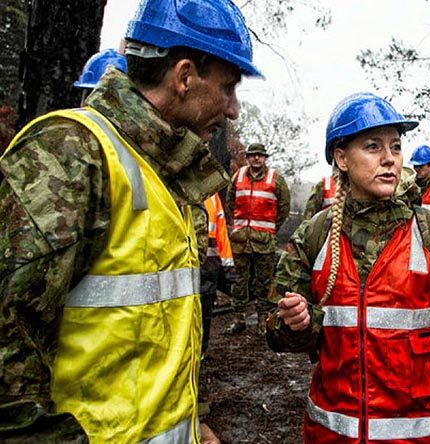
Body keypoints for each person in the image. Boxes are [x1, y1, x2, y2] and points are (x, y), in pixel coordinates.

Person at [0, 0, 260, 441]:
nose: (233, 109)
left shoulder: (165, 170)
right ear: (183, 77)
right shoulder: (70, 153)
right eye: (228, 87)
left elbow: (142, 342)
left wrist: (190, 422)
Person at [264, 92, 430, 443]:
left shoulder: (428, 231)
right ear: (341, 158)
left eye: (395, 147)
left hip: (420, 433)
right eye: (374, 147)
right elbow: (275, 325)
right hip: (335, 432)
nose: (390, 159)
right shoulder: (316, 234)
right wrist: (293, 323)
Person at [225, 142, 290, 334]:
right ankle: (239, 318)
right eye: (252, 155)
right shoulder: (237, 177)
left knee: (263, 282)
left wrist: (271, 229)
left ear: (265, 158)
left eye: (260, 155)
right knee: (239, 281)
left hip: (264, 241)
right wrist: (236, 225)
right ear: (247, 157)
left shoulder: (275, 179)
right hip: (240, 241)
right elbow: (230, 202)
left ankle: (263, 320)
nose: (256, 158)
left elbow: (284, 208)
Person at [200, 192, 234, 352]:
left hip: (208, 266)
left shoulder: (212, 195)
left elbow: (221, 232)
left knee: (205, 311)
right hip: (187, 264)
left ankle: (200, 350)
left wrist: (227, 266)